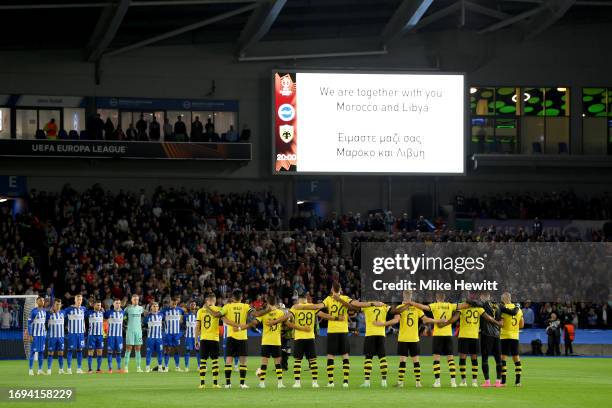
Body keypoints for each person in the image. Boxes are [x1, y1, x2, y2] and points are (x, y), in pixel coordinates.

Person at [293, 282, 357, 388]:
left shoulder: (328, 299)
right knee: (345, 355)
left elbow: (318, 306)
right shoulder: (345, 298)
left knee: (330, 356)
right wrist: (340, 300)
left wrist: (303, 307)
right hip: (343, 330)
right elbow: (352, 307)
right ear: (340, 289)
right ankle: (345, 381)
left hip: (332, 330)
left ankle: (331, 382)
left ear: (332, 289)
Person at [375, 290, 443, 388]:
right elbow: (426, 320)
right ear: (411, 296)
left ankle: (401, 382)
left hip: (404, 338)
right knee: (415, 361)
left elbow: (396, 320)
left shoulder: (400, 308)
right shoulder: (416, 307)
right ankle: (418, 383)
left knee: (403, 361)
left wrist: (382, 324)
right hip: (413, 338)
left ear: (404, 296)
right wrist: (438, 320)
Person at [440, 296, 501, 388]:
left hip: (464, 336)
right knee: (474, 359)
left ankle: (463, 381)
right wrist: (498, 323)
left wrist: (444, 324)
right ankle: (474, 381)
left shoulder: (462, 309)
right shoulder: (479, 309)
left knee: (462, 359)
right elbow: (489, 318)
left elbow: (454, 319)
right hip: (474, 337)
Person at [466, 292, 518, 387]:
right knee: (498, 359)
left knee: (485, 359)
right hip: (497, 335)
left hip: (486, 335)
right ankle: (498, 382)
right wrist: (517, 306)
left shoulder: (483, 304)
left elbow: (470, 302)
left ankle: (487, 382)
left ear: (482, 296)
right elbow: (513, 312)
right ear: (490, 296)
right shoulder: (499, 305)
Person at [408, 292, 458, 388]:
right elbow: (461, 306)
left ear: (436, 298)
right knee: (450, 359)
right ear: (444, 298)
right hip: (448, 334)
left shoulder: (434, 305)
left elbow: (422, 307)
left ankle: (437, 382)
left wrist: (411, 302)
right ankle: (453, 382)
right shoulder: (450, 305)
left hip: (438, 335)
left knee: (436, 359)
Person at [285, 293, 333, 388]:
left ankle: (297, 383)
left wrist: (301, 328)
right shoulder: (312, 307)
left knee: (297, 361)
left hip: (299, 337)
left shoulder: (295, 307)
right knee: (313, 361)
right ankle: (315, 382)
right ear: (306, 299)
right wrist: (336, 318)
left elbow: (287, 323)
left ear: (299, 299)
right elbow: (324, 315)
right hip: (310, 337)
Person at [220, 289, 255, 388]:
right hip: (242, 337)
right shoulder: (245, 306)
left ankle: (228, 384)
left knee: (229, 360)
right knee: (243, 360)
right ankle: (242, 384)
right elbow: (253, 313)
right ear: (241, 297)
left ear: (232, 297)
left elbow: (221, 316)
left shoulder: (227, 306)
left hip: (231, 336)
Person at [250, 295, 287, 389]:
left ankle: (262, 384)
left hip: (266, 341)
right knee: (278, 363)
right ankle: (280, 383)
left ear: (268, 302)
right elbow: (286, 322)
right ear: (276, 302)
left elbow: (255, 322)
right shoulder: (280, 312)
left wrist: (254, 326)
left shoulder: (263, 313)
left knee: (264, 363)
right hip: (276, 341)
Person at [352, 299, 389, 388]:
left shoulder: (367, 306)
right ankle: (384, 381)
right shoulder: (384, 306)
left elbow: (354, 307)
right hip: (381, 334)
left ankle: (367, 382)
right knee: (382, 357)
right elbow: (394, 311)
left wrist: (356, 301)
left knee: (368, 358)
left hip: (370, 334)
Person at [195, 294, 224, 388]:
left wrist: (196, 339)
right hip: (214, 338)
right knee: (215, 361)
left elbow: (197, 327)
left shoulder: (200, 311)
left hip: (204, 338)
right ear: (214, 301)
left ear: (206, 301)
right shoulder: (218, 309)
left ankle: (202, 383)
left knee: (203, 361)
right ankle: (215, 383)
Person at [500, 292, 524, 387]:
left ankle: (503, 381)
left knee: (503, 358)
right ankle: (518, 382)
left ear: (503, 299)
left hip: (505, 335)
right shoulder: (519, 310)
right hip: (515, 336)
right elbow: (522, 325)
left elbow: (501, 323)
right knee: (516, 358)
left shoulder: (503, 309)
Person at [64, 294, 86, 374]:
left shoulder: (83, 309)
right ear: (75, 300)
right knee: (70, 350)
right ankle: (69, 369)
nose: (79, 301)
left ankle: (79, 368)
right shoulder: (69, 309)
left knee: (80, 350)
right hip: (72, 333)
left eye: (81, 299)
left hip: (80, 334)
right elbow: (62, 314)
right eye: (78, 299)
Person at [161, 298, 184, 372]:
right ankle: (166, 367)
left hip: (176, 334)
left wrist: (181, 332)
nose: (174, 305)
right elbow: (160, 318)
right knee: (167, 350)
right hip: (168, 334)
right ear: (170, 303)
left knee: (176, 350)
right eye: (172, 303)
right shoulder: (165, 310)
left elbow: (182, 320)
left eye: (175, 304)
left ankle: (177, 367)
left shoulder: (180, 310)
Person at [124, 294, 145, 373]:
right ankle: (126, 367)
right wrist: (125, 323)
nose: (136, 301)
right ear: (132, 300)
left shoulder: (141, 309)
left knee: (138, 349)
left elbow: (146, 315)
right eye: (134, 299)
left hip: (138, 331)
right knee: (128, 348)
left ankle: (138, 367)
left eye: (137, 299)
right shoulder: (128, 308)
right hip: (130, 330)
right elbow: (123, 316)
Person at [27, 296, 47, 375]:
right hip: (35, 335)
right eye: (40, 300)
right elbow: (29, 324)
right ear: (37, 302)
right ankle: (30, 370)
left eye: (43, 300)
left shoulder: (45, 311)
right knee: (32, 352)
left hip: (42, 335)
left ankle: (40, 370)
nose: (42, 302)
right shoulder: (33, 311)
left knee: (41, 352)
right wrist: (30, 335)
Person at [104, 299, 125, 373]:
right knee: (110, 352)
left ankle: (119, 368)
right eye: (116, 303)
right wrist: (105, 330)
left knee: (119, 352)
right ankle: (110, 368)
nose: (118, 304)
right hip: (111, 336)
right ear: (113, 304)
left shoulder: (123, 312)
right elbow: (103, 319)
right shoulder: (108, 312)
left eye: (119, 303)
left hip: (119, 336)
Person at [46, 299, 65, 375]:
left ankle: (61, 369)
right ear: (54, 305)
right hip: (52, 337)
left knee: (61, 353)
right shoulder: (49, 314)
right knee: (50, 353)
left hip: (61, 337)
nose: (58, 306)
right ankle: (49, 369)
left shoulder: (63, 313)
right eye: (56, 304)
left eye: (59, 304)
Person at [86, 300, 105, 373]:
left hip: (100, 335)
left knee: (100, 352)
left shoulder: (102, 313)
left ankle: (98, 369)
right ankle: (90, 369)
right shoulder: (89, 313)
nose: (99, 306)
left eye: (100, 305)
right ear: (94, 305)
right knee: (91, 351)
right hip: (92, 335)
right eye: (97, 305)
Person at [144, 302, 164, 372]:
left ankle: (160, 367)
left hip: (159, 338)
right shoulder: (147, 316)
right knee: (149, 353)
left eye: (157, 306)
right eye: (154, 306)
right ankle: (147, 368)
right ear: (151, 307)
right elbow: (144, 324)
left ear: (158, 308)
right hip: (150, 338)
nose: (155, 308)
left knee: (160, 353)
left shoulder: (161, 315)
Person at [183, 301, 198, 372]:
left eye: (194, 304)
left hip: (196, 336)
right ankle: (186, 367)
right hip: (188, 336)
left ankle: (199, 366)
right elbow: (182, 325)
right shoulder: (186, 315)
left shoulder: (199, 315)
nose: (193, 305)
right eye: (192, 304)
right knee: (187, 351)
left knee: (198, 350)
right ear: (189, 306)